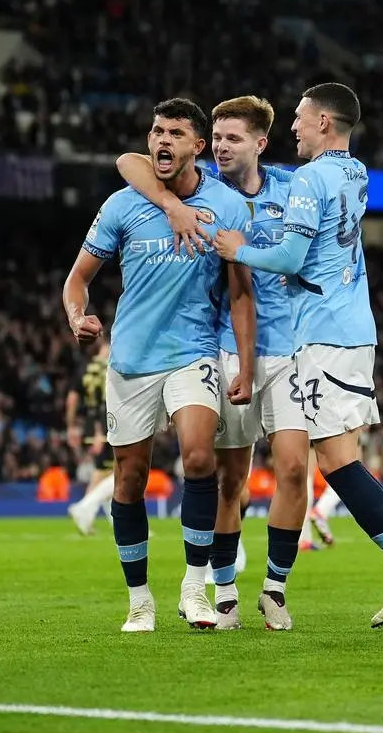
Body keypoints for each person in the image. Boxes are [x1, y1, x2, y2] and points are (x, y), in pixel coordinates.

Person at [214, 83, 383, 632]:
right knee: (335, 457)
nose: (293, 127)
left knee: (337, 459)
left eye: (299, 118)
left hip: (327, 333)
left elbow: (293, 255)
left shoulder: (311, 179)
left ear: (323, 122)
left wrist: (237, 250)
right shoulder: (354, 172)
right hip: (342, 327)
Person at [62, 97, 256, 633]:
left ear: (200, 146)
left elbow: (241, 295)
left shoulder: (229, 207)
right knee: (130, 478)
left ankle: (195, 588)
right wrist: (78, 317)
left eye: (175, 133)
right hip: (130, 358)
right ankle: (139, 599)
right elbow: (77, 280)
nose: (162, 141)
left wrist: (244, 364)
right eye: (156, 132)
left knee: (198, 458)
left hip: (192, 353)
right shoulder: (123, 205)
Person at [114, 95, 307, 631]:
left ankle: (273, 588)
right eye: (216, 138)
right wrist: (174, 207)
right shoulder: (204, 194)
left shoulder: (293, 189)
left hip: (288, 346)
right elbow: (129, 161)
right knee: (228, 480)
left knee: (293, 468)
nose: (222, 147)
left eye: (232, 139)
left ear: (260, 144)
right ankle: (222, 593)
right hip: (218, 345)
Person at [65, 334, 116, 536]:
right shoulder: (109, 369)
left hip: (89, 425)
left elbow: (72, 400)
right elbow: (108, 400)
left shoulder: (84, 369)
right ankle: (84, 507)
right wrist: (99, 431)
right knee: (122, 472)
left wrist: (71, 426)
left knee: (101, 473)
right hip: (107, 425)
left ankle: (87, 516)